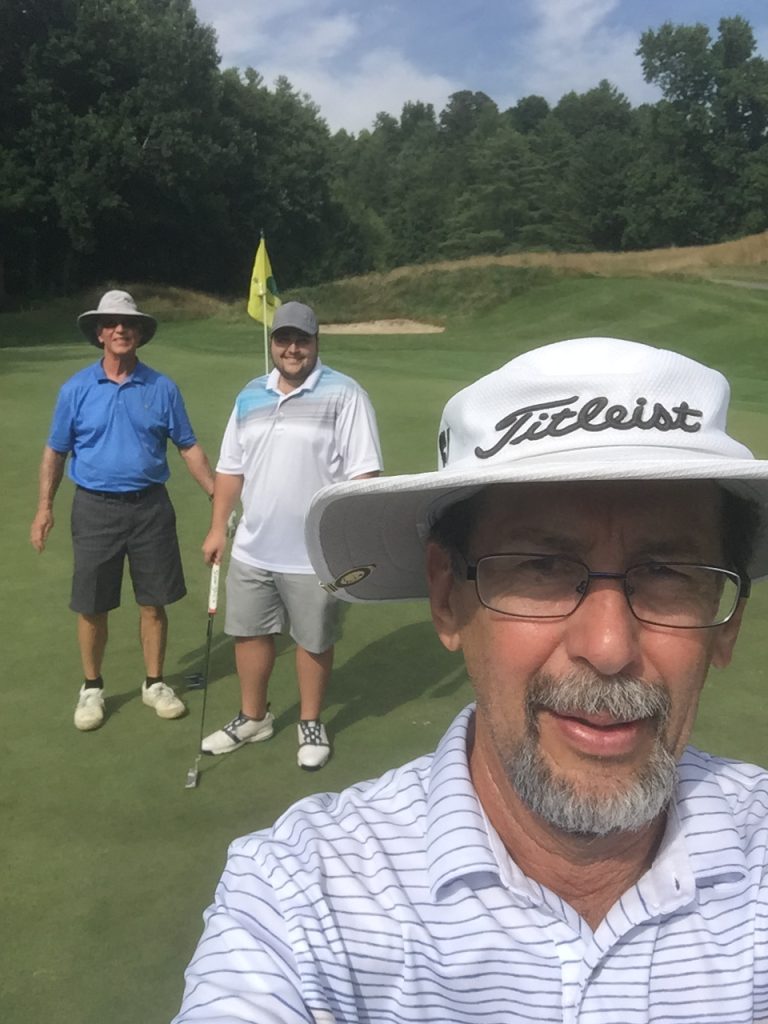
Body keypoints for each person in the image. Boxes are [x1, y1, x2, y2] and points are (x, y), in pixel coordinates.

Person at [174, 337, 768, 1023]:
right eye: (542, 566)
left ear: (727, 622)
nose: (608, 647)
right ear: (446, 599)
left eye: (668, 573)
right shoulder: (302, 896)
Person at [201, 301, 382, 770]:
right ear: (273, 343)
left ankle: (310, 721)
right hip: (253, 546)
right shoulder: (250, 396)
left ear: (316, 341)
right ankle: (253, 717)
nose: (292, 349)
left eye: (302, 340)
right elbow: (230, 469)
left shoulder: (345, 393)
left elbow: (364, 474)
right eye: (284, 340)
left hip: (314, 551)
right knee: (249, 634)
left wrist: (348, 540)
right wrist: (218, 528)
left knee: (313, 640)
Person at [31, 289, 215, 732]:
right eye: (112, 324)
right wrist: (44, 507)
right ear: (99, 333)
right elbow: (55, 451)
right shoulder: (76, 389)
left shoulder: (162, 387)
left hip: (150, 508)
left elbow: (187, 446)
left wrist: (216, 494)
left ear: (139, 334)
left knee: (153, 602)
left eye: (128, 324)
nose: (120, 329)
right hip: (94, 508)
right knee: (92, 604)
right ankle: (92, 687)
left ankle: (154, 683)